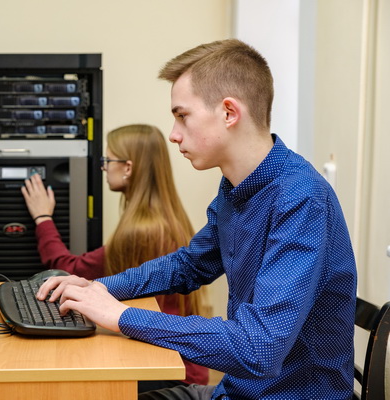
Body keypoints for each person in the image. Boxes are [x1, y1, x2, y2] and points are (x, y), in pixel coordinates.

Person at [36, 39, 357, 400]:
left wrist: (121, 317)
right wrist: (101, 289)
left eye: (182, 115)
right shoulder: (238, 187)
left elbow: (259, 348)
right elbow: (188, 265)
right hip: (236, 391)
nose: (173, 134)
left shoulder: (301, 200)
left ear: (229, 113)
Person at [21, 124, 212, 388]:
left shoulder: (141, 231)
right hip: (182, 364)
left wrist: (43, 218)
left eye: (107, 160)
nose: (103, 167)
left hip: (172, 375)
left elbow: (67, 268)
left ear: (128, 168)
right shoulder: (168, 217)